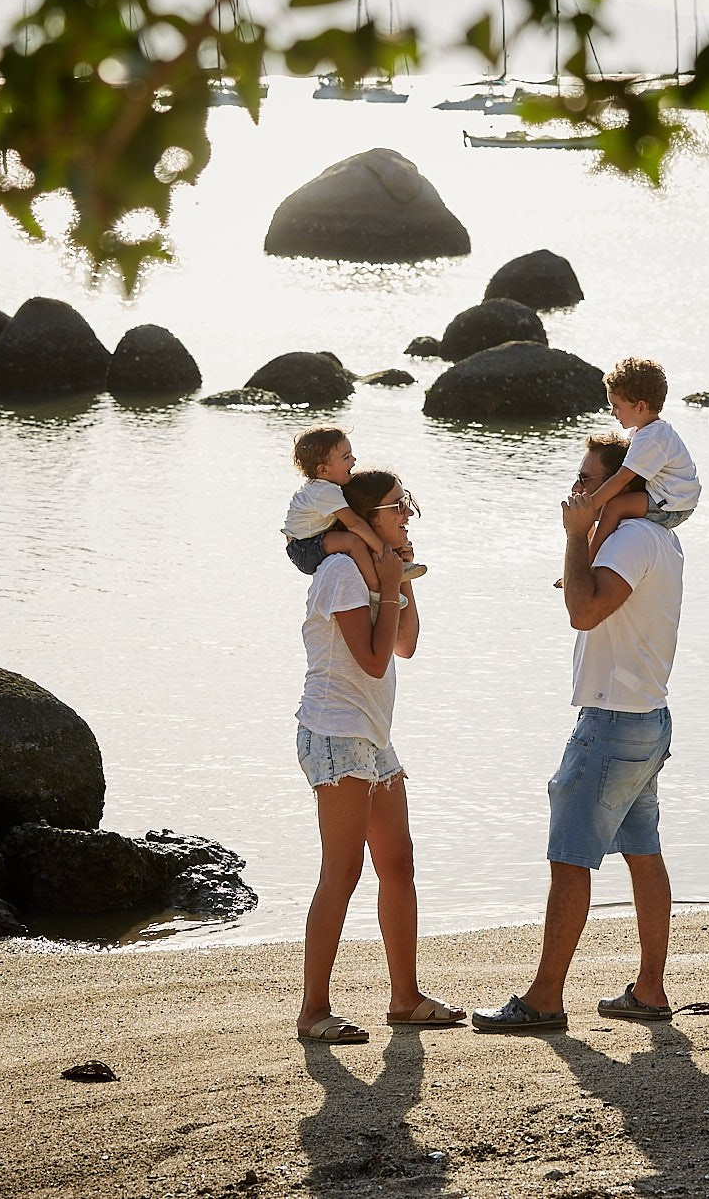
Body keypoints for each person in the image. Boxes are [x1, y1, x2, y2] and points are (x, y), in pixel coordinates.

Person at [472, 433, 687, 1032]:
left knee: (569, 858)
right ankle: (649, 990)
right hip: (646, 717)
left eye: (588, 480)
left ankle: (544, 999)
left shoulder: (632, 539)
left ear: (623, 484)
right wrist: (585, 537)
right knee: (643, 852)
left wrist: (574, 535)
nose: (577, 490)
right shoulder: (657, 537)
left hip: (613, 722)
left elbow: (584, 612)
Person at [295, 468, 463, 1043]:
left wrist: (402, 580)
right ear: (367, 518)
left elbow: (404, 645)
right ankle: (314, 1010)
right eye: (397, 506)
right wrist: (389, 584)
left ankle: (405, 999)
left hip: (372, 737)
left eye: (406, 504)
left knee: (398, 865)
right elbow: (371, 661)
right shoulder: (341, 572)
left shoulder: (374, 571)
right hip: (334, 733)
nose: (407, 514)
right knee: (341, 873)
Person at [573, 357, 700, 559]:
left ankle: (590, 558)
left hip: (674, 506)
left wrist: (589, 506)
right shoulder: (645, 432)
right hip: (668, 498)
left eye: (617, 406)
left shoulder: (652, 438)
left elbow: (621, 478)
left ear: (640, 407)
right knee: (612, 501)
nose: (613, 413)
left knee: (614, 506)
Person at [283, 426, 425, 590]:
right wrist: (383, 551)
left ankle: (392, 574)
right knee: (354, 542)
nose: (354, 460)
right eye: (346, 457)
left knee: (358, 541)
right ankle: (376, 588)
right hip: (304, 548)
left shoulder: (322, 488)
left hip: (303, 544)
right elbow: (355, 523)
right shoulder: (325, 491)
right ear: (323, 469)